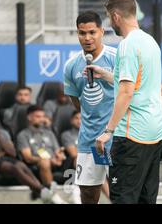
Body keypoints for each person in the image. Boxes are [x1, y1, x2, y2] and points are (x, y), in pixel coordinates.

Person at [95, 0, 162, 204]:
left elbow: (126, 93)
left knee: (123, 199)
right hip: (155, 131)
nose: (109, 23)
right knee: (146, 200)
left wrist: (108, 131)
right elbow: (139, 84)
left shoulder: (127, 46)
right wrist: (108, 75)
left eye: (109, 18)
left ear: (116, 16)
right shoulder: (150, 41)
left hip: (132, 135)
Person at [63, 11, 116, 204]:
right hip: (89, 141)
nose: (87, 38)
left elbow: (131, 93)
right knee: (88, 195)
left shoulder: (117, 58)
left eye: (92, 32)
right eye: (82, 33)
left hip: (116, 139)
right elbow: (77, 102)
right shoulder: (71, 66)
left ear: (102, 31)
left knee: (120, 194)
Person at [0, 122, 64, 204]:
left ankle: (41, 192)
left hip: (6, 157)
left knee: (22, 165)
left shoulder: (2, 133)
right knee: (15, 168)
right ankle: (43, 190)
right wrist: (1, 152)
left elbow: (12, 153)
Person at [16, 105, 68, 204]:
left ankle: (80, 194)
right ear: (29, 117)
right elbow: (28, 157)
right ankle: (52, 195)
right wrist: (48, 160)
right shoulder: (23, 135)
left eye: (43, 116)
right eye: (38, 116)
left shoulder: (49, 133)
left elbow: (58, 150)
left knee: (78, 158)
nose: (41, 119)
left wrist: (59, 156)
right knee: (45, 162)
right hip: (36, 165)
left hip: (54, 163)